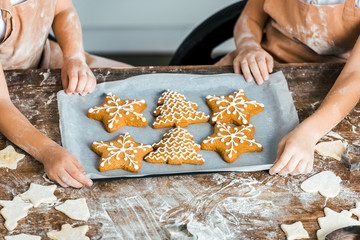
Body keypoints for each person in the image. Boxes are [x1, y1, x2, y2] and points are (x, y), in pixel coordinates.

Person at [216, 0, 360, 175]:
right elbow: (250, 19)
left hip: (335, 82)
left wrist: (309, 133)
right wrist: (248, 46)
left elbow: (355, 73)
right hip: (262, 62)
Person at [0, 0, 131, 188]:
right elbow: (1, 102)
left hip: (44, 57)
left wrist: (74, 57)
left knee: (128, 75)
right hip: (8, 88)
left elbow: (63, 9)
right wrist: (47, 151)